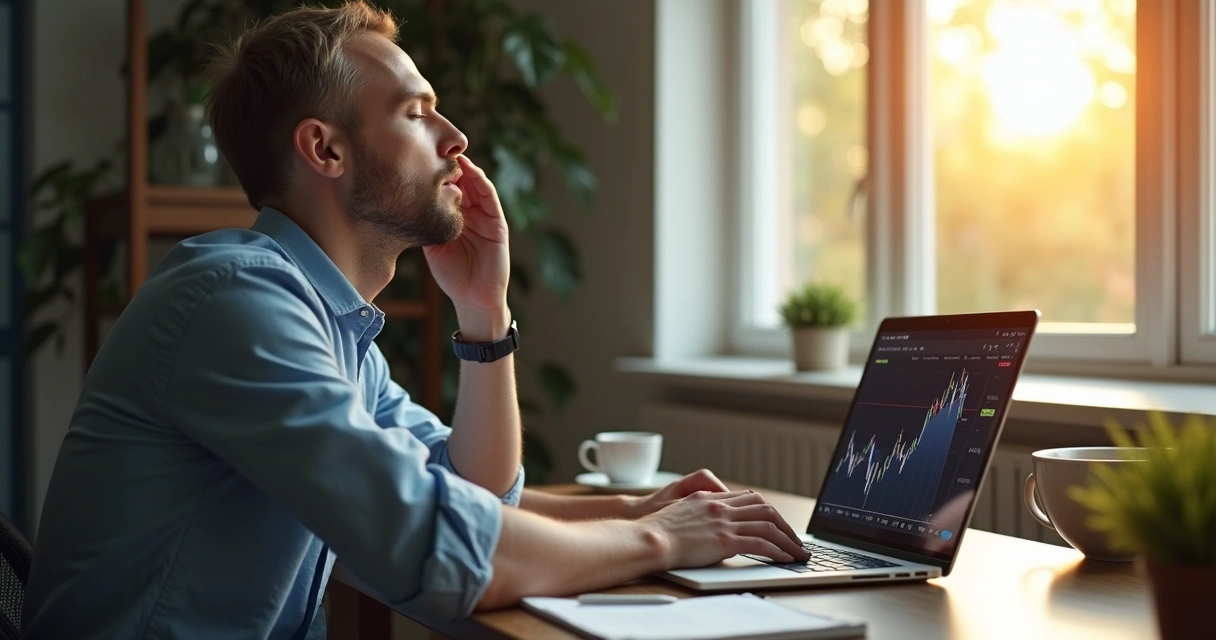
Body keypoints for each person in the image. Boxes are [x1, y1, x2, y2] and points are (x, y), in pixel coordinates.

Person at [21, 2, 809, 637]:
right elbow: (444, 553)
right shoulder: (234, 303)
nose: (456, 138)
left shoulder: (332, 332)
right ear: (324, 151)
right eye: (416, 111)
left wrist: (484, 314)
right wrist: (664, 539)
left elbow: (471, 497)